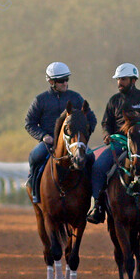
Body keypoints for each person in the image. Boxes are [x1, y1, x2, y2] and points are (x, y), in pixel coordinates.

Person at [86, 63, 140, 226]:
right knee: (98, 168)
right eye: (118, 79)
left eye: (123, 79)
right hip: (119, 143)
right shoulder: (114, 101)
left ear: (133, 80)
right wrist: (106, 135)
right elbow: (106, 123)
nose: (119, 82)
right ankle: (97, 205)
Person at [25, 62, 97, 204]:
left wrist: (83, 137)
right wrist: (43, 136)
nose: (65, 83)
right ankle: (34, 190)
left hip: (73, 143)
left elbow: (91, 119)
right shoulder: (40, 100)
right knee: (34, 156)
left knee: (91, 158)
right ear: (51, 82)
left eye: (66, 79)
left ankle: (94, 197)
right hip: (49, 143)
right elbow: (29, 123)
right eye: (61, 81)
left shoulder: (76, 98)